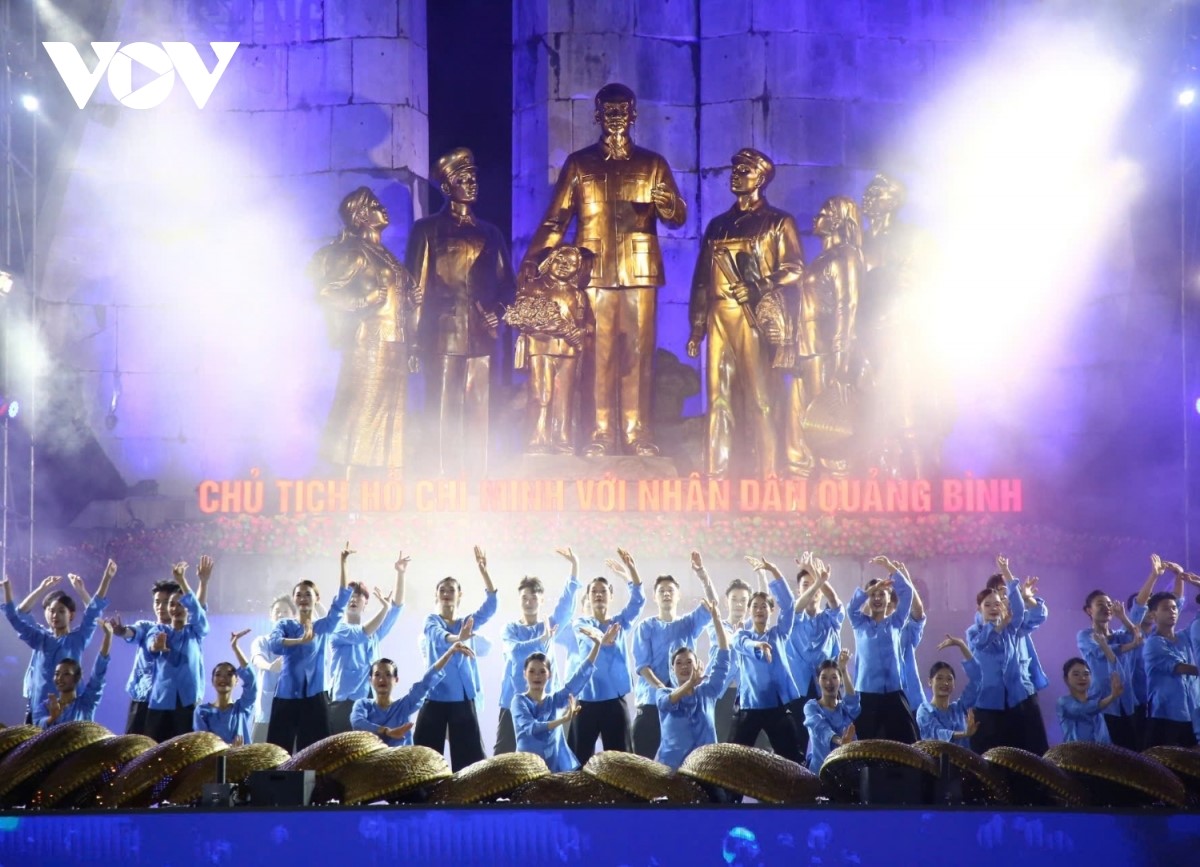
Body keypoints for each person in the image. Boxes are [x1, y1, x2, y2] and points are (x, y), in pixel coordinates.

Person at [524, 82, 687, 458]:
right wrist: (534, 259)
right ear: (597, 115)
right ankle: (599, 432)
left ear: (633, 115)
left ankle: (636, 432)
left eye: (622, 110)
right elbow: (556, 219)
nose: (615, 117)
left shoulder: (652, 163)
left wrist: (669, 204)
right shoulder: (580, 163)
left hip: (639, 270)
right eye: (608, 110)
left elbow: (677, 217)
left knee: (637, 355)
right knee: (597, 355)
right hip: (593, 272)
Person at [687, 147, 803, 479]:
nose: (735, 176)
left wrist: (759, 286)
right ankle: (717, 478)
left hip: (754, 318)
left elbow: (795, 268)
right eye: (734, 170)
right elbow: (701, 280)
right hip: (718, 318)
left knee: (761, 399)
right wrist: (697, 327)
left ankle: (770, 476)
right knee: (718, 400)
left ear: (761, 178)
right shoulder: (717, 225)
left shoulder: (777, 222)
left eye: (744, 171)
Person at [406, 147, 514, 477]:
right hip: (441, 334)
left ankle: (478, 478)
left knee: (480, 410)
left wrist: (499, 310)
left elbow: (508, 285)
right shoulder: (427, 230)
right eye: (463, 180)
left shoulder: (490, 233)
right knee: (441, 410)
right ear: (446, 187)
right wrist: (412, 341)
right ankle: (438, 477)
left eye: (473, 178)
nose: (471, 184)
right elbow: (415, 290)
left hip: (482, 336)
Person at [311, 186, 421, 475]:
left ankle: (387, 481)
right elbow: (325, 293)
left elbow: (401, 298)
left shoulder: (385, 254)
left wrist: (411, 302)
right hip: (369, 343)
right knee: (360, 411)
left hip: (395, 342)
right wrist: (363, 301)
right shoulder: (355, 253)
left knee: (393, 415)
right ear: (360, 216)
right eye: (374, 205)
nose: (382, 208)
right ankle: (346, 482)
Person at [783, 196, 862, 477]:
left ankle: (839, 494)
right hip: (806, 351)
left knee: (829, 430)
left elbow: (847, 306)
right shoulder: (819, 260)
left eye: (824, 213)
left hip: (826, 352)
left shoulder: (846, 255)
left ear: (838, 220)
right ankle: (800, 493)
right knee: (798, 433)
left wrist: (841, 361)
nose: (816, 219)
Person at [414, 545, 498, 771]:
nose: (446, 593)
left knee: (469, 762)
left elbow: (491, 607)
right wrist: (457, 639)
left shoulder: (466, 622)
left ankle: (468, 791)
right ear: (436, 595)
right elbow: (438, 636)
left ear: (459, 595)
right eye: (442, 589)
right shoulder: (431, 620)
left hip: (462, 699)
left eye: (451, 589)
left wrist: (484, 572)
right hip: (435, 696)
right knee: (425, 760)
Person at [2, 560, 116, 724]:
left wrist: (105, 579)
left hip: (69, 708)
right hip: (39, 708)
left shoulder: (77, 639)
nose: (55, 615)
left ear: (71, 615)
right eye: (51, 611)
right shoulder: (40, 637)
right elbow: (18, 615)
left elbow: (93, 613)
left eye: (61, 611)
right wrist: (42, 588)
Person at [506, 245, 593, 455]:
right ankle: (537, 439)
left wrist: (581, 333)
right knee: (541, 394)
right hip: (541, 348)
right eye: (560, 260)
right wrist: (554, 327)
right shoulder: (534, 287)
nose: (564, 266)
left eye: (571, 264)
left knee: (565, 397)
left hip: (568, 352)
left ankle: (562, 440)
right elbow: (521, 316)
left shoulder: (578, 294)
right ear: (550, 261)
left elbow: (586, 322)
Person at [631, 551, 718, 759]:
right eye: (661, 591)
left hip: (684, 704)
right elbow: (643, 667)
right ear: (655, 597)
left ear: (678, 595)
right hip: (652, 703)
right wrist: (664, 691)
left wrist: (702, 574)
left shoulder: (689, 623)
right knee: (645, 763)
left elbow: (712, 604)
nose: (666, 594)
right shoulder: (645, 627)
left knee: (683, 762)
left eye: (670, 590)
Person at [495, 547, 582, 755]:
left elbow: (566, 606)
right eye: (524, 598)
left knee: (550, 755)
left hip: (546, 701)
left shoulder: (549, 624)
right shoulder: (510, 629)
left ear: (541, 600)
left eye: (534, 598)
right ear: (519, 600)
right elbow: (516, 652)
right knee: (503, 755)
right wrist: (542, 639)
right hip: (513, 700)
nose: (529, 602)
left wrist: (575, 566)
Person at [267, 544, 353, 753]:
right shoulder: (285, 625)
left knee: (315, 752)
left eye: (308, 594)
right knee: (278, 751)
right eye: (299, 595)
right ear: (294, 599)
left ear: (317, 598)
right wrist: (298, 641)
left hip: (315, 696)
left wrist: (343, 563)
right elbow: (274, 644)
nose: (303, 598)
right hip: (286, 694)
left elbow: (340, 603)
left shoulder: (322, 626)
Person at [564, 547, 646, 763]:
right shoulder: (581, 623)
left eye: (603, 591)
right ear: (589, 597)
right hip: (585, 701)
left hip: (614, 701)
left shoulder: (620, 623)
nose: (598, 595)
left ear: (611, 595)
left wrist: (631, 570)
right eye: (594, 592)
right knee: (577, 762)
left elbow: (638, 600)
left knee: (622, 762)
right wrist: (602, 638)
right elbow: (589, 634)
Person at [730, 556, 803, 763]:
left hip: (776, 706)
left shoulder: (779, 633)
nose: (759, 610)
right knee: (733, 759)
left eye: (764, 606)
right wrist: (758, 645)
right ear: (749, 611)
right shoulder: (741, 634)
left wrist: (773, 569)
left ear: (771, 610)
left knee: (792, 758)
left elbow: (789, 605)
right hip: (749, 705)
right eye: (755, 606)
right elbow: (740, 643)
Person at [512, 623, 611, 771]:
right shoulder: (519, 701)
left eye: (542, 671)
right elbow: (532, 728)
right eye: (532, 671)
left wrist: (597, 646)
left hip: (553, 768)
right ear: (524, 674)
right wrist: (563, 720)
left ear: (549, 675)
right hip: (526, 769)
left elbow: (577, 680)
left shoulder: (553, 701)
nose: (537, 676)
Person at [967, 574, 1048, 754]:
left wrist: (1027, 599)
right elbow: (981, 642)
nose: (1002, 598)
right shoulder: (977, 630)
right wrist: (999, 625)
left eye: (1007, 593)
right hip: (989, 702)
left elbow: (1038, 615)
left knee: (1031, 753)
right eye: (998, 594)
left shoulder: (1015, 623)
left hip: (1021, 694)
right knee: (992, 755)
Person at [327, 552, 407, 734]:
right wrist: (384, 609)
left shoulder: (374, 633)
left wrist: (400, 573)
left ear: (366, 603)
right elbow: (360, 634)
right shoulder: (337, 628)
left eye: (358, 595)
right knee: (340, 748)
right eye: (349, 595)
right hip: (343, 702)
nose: (353, 599)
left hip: (370, 701)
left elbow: (396, 608)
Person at [847, 555, 919, 743]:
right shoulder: (859, 623)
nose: (877, 598)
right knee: (865, 745)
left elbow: (907, 593)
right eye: (873, 595)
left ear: (889, 599)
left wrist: (890, 568)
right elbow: (851, 608)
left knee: (908, 742)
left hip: (894, 691)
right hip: (867, 693)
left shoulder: (896, 622)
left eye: (882, 594)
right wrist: (868, 591)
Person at [656, 600, 732, 769]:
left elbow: (724, 656)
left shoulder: (707, 692)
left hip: (705, 767)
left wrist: (717, 620)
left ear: (698, 665)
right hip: (670, 770)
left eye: (689, 662)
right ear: (672, 669)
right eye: (679, 663)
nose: (684, 666)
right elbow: (666, 702)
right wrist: (690, 683)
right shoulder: (663, 692)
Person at [351, 643, 475, 747]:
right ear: (370, 680)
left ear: (396, 680)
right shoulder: (363, 704)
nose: (382, 679)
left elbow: (426, 682)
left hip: (402, 763)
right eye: (377, 675)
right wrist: (387, 731)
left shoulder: (404, 705)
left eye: (388, 675)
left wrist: (449, 652)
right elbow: (357, 722)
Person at [142, 561, 210, 742]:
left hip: (188, 700)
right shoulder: (159, 630)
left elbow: (198, 610)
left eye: (181, 604)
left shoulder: (195, 631)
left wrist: (182, 581)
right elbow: (151, 645)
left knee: (185, 750)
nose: (176, 608)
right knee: (155, 749)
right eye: (172, 604)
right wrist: (156, 646)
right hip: (161, 701)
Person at [784, 553, 843, 756]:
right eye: (806, 585)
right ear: (798, 590)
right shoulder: (792, 617)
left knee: (832, 738)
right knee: (797, 742)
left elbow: (834, 600)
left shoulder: (831, 619)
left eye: (816, 586)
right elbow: (796, 609)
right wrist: (817, 579)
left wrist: (821, 579)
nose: (813, 589)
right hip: (797, 689)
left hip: (827, 687)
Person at [1076, 590, 1141, 750]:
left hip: (1127, 699)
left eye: (1109, 604)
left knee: (1134, 749)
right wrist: (1131, 645)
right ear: (1089, 610)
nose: (1106, 607)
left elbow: (1135, 636)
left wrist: (1123, 617)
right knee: (1110, 751)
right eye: (1100, 604)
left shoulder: (1118, 635)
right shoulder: (1085, 635)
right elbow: (1100, 651)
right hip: (1104, 700)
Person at [1143, 590, 1199, 748]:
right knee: (1165, 761)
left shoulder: (1184, 636)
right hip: (1165, 716)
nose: (1172, 612)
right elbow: (1180, 667)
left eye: (1174, 608)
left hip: (1191, 713)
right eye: (1166, 608)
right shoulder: (1153, 643)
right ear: (1153, 614)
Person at [37, 619, 114, 728]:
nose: (59, 678)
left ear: (77, 678)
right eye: (57, 674)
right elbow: (38, 725)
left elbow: (98, 675)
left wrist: (108, 636)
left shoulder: (86, 703)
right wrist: (52, 718)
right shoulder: (46, 706)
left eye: (66, 674)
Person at [710, 576, 754, 744]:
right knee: (719, 741)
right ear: (726, 601)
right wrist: (738, 635)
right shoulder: (716, 625)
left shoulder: (752, 628)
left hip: (745, 694)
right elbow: (726, 642)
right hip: (721, 694)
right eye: (734, 599)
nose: (739, 604)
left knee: (747, 744)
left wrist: (761, 575)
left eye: (744, 600)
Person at [194, 630, 257, 746]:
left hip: (242, 757)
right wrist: (230, 747)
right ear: (212, 681)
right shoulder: (202, 711)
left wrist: (235, 648)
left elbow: (251, 680)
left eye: (229, 674)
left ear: (236, 680)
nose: (223, 678)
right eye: (218, 674)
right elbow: (202, 744)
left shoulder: (241, 709)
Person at [916, 636, 981, 748]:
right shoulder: (925, 710)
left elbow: (977, 677)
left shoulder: (959, 708)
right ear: (930, 682)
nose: (945, 683)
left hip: (965, 759)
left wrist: (961, 645)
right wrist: (964, 734)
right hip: (935, 759)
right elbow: (937, 734)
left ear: (954, 684)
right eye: (939, 678)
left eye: (949, 679)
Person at [249, 595, 295, 744]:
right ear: (271, 616)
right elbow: (257, 659)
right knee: (259, 755)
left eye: (286, 611)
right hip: (266, 712)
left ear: (293, 616)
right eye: (277, 611)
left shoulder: (299, 642)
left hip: (292, 712)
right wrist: (270, 666)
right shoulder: (262, 641)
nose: (281, 614)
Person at [803, 650, 859, 771]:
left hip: (847, 769)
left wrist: (843, 670)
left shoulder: (844, 708)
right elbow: (820, 728)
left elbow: (853, 703)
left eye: (834, 677)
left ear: (840, 680)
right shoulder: (811, 707)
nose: (829, 682)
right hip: (820, 770)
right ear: (818, 680)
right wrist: (840, 741)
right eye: (824, 678)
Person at [1058, 656, 1124, 744]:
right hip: (1076, 751)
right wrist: (1112, 697)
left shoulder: (1095, 698)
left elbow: (1119, 678)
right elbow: (1084, 709)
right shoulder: (1063, 702)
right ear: (1066, 679)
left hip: (1104, 750)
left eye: (1086, 674)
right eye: (1076, 674)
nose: (1082, 678)